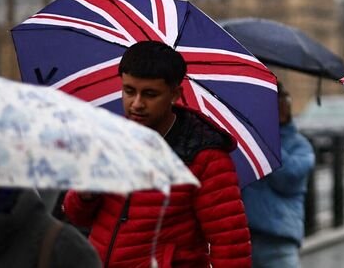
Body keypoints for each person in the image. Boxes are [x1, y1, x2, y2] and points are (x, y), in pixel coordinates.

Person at [62, 41, 251, 268]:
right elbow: (78, 217)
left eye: (150, 94)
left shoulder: (204, 157)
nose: (136, 104)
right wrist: (85, 195)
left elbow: (231, 244)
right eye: (129, 91)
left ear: (175, 94)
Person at [241, 87, 316, 268]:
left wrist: (265, 141)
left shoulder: (300, 145)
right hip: (243, 237)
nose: (281, 108)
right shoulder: (246, 139)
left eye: (284, 102)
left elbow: (288, 178)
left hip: (279, 242)